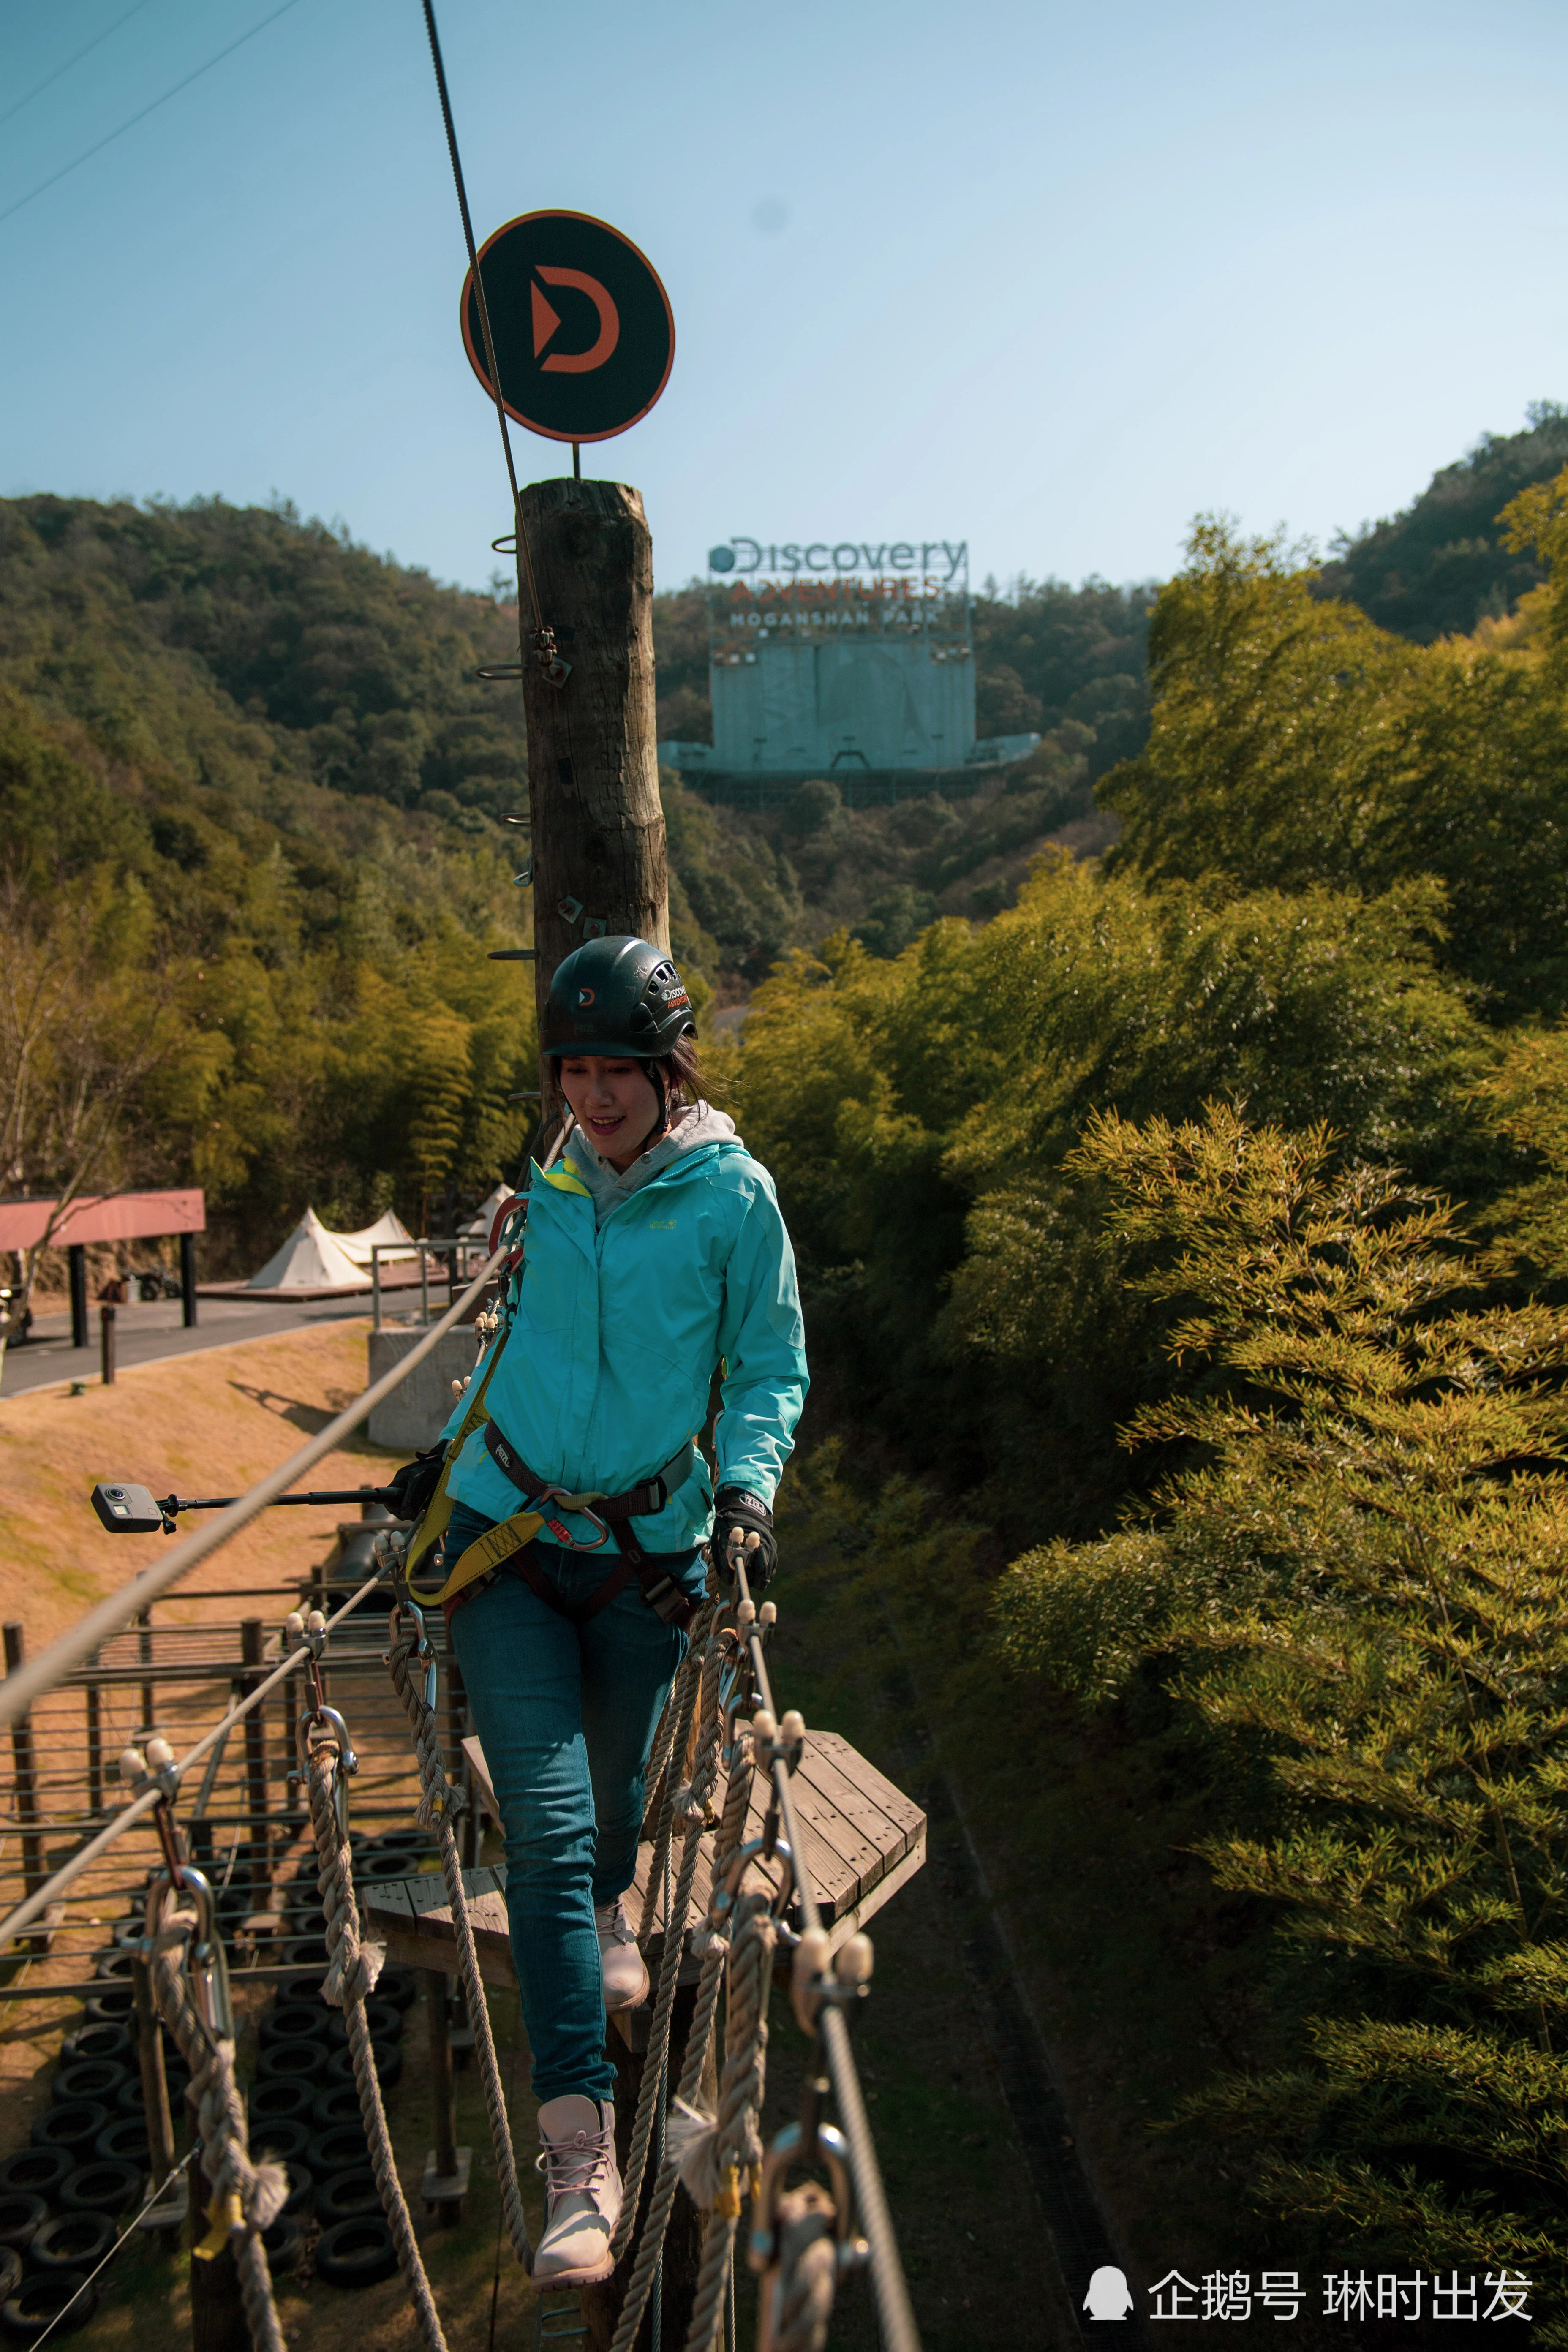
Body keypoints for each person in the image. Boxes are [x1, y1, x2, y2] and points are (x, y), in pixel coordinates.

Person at [401, 935, 807, 2289]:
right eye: (570, 1067)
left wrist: (745, 1495)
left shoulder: (732, 1200)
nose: (590, 1092)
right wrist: (447, 1449)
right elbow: (521, 1346)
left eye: (613, 1066)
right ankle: (582, 2150)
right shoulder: (553, 1180)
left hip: (646, 1552)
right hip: (504, 1541)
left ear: (665, 1063)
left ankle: (616, 1907)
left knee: (616, 1803)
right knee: (552, 1825)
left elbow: (768, 1368)